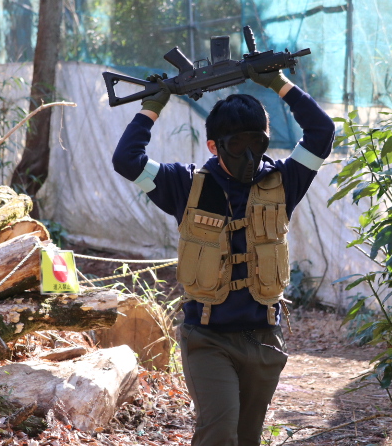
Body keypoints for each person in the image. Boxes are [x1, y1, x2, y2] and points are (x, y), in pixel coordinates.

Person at [111, 67, 335, 446]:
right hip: (207, 339)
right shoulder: (185, 184)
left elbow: (322, 132)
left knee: (247, 437)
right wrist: (152, 107)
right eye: (236, 145)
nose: (249, 155)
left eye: (257, 143)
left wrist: (279, 83)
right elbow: (126, 159)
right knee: (219, 431)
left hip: (264, 337)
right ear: (214, 146)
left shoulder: (285, 182)